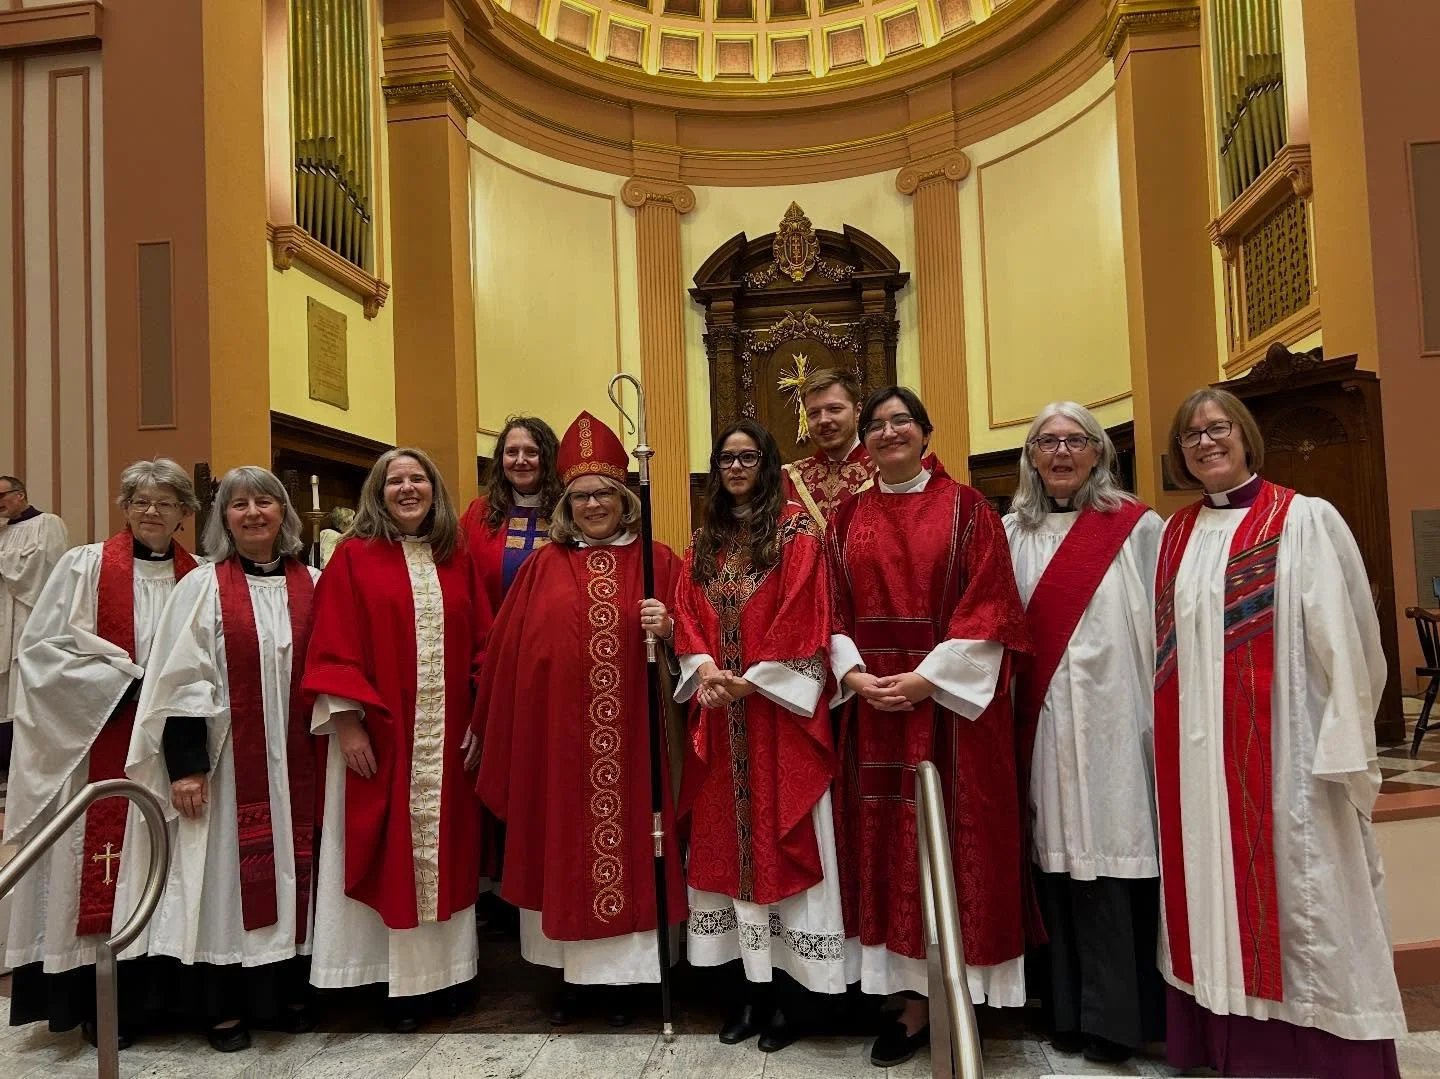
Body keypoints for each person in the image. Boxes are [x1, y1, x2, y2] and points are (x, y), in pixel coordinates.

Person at [1154, 388, 1405, 1079]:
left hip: (1290, 765)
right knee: (1210, 897)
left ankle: (1318, 1056)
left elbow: (1350, 641)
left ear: (1245, 436)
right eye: (1191, 435)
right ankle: (1224, 1045)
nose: (1205, 442)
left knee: (1306, 904)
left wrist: (1342, 748)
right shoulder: (1174, 534)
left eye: (1218, 428)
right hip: (1199, 769)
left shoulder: (1302, 520)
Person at [826, 386, 1031, 1068]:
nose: (888, 433)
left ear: (925, 431)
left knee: (948, 845)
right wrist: (853, 675)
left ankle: (955, 993)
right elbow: (826, 608)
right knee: (887, 846)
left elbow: (991, 608)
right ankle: (908, 1001)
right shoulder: (845, 517)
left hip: (948, 717)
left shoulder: (968, 510)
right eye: (877, 425)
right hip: (872, 714)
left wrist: (924, 679)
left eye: (900, 421)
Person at [471, 410, 686, 1028]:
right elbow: (511, 659)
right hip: (560, 749)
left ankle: (633, 981)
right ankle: (575, 981)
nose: (593, 505)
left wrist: (667, 632)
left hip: (640, 743)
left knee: (639, 847)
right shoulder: (543, 565)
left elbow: (698, 644)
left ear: (625, 499)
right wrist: (498, 729)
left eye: (605, 494)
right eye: (582, 495)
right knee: (565, 848)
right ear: (566, 502)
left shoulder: (659, 561)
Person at [3, 459, 200, 1046]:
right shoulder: (84, 566)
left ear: (184, 512)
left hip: (173, 748)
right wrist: (120, 683)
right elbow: (41, 652)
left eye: (165, 501)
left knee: (170, 862)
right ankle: (95, 1000)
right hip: (102, 740)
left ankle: (164, 995)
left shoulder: (200, 576)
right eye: (140, 500)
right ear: (124, 507)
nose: (151, 512)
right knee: (104, 859)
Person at [125, 466, 320, 1052]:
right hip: (229, 762)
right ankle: (224, 1006)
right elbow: (177, 681)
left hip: (299, 761)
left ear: (284, 513)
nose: (254, 513)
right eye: (239, 505)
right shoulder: (203, 586)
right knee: (223, 883)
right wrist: (185, 766)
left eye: (265, 502)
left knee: (294, 872)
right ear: (222, 518)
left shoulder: (315, 579)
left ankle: (286, 991)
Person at [302, 448, 488, 1030]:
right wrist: (348, 722)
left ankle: (449, 976)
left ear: (435, 489)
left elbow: (485, 646)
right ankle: (388, 982)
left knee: (449, 854)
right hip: (379, 738)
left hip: (447, 738)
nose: (408, 489)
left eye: (418, 479)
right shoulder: (353, 558)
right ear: (377, 493)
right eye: (395, 481)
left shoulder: (455, 559)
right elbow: (331, 644)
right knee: (383, 848)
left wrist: (480, 719)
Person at [671, 420, 842, 1052]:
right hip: (722, 717)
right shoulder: (706, 539)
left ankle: (790, 1000)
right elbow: (687, 610)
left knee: (780, 843)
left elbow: (807, 611)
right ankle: (748, 992)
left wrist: (755, 681)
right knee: (727, 858)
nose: (736, 467)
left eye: (748, 457)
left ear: (768, 464)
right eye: (726, 459)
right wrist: (705, 669)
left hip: (776, 719)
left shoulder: (796, 533)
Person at [1004, 403, 1165, 1065]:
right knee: (1057, 855)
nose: (1061, 452)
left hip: (1117, 722)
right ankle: (1066, 1009)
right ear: (1032, 458)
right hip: (1042, 722)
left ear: (1099, 453)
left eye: (1075, 441)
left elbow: (1167, 620)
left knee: (1112, 854)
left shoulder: (1136, 526)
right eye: (1048, 442)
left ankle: (1120, 1019)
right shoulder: (1011, 531)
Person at [0, 474, 68, 769]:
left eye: (2, 496)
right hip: (4, 617)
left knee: (24, 681)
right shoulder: (1, 532)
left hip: (30, 617)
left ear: (21, 494)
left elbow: (44, 568)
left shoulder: (47, 523)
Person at [460, 415, 562, 612]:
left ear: (548, 459)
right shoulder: (479, 511)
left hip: (550, 631)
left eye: (532, 452)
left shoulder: (568, 511)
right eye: (512, 452)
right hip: (493, 630)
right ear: (501, 459)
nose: (520, 460)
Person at [781, 368, 874, 529]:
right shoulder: (789, 479)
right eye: (814, 413)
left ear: (857, 411)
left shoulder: (885, 472)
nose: (823, 420)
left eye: (834, 409)